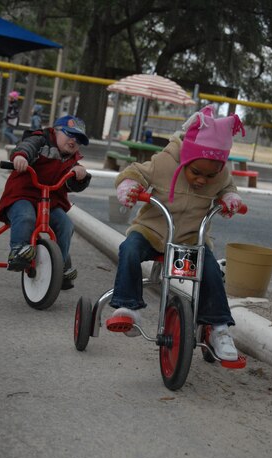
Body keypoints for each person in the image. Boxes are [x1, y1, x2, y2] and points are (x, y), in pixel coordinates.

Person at [107, 104, 246, 361]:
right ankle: (128, 306)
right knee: (129, 249)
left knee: (211, 270)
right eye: (196, 172)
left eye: (210, 175)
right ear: (186, 158)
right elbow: (136, 171)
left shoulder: (220, 173)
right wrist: (130, 185)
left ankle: (218, 328)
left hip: (190, 241)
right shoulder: (165, 162)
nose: (203, 180)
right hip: (151, 232)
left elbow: (228, 187)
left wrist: (230, 197)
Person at [0, 114, 91, 290]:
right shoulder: (40, 140)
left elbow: (74, 186)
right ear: (55, 131)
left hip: (50, 203)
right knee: (26, 217)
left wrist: (80, 175)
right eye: (70, 134)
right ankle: (18, 250)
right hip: (22, 196)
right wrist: (21, 157)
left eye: (78, 139)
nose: (74, 141)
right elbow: (26, 146)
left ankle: (58, 266)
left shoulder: (73, 159)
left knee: (66, 225)